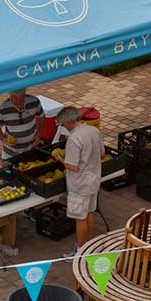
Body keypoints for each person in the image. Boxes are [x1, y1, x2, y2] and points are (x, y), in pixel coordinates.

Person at [57, 106, 103, 249]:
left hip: (80, 184)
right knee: (89, 212)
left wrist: (60, 159)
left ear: (68, 122)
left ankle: (80, 248)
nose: (63, 126)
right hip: (94, 179)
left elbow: (73, 166)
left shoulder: (74, 138)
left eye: (62, 124)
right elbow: (101, 154)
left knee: (80, 217)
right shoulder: (93, 130)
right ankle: (88, 245)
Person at [0, 88, 42, 158]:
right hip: (10, 153)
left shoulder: (34, 102)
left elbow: (42, 117)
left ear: (25, 92)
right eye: (15, 97)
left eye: (21, 97)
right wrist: (4, 140)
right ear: (10, 95)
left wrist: (39, 135)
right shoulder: (3, 108)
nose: (18, 100)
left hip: (31, 149)